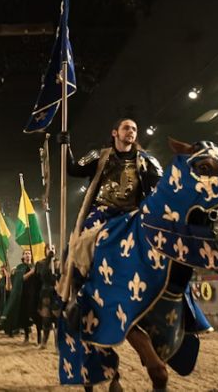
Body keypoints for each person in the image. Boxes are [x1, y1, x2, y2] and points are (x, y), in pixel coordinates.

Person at [60, 118, 163, 319]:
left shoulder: (148, 161)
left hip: (131, 215)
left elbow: (160, 187)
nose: (131, 131)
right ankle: (75, 296)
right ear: (115, 132)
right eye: (126, 128)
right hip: (102, 211)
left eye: (134, 128)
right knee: (79, 243)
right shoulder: (99, 156)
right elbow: (73, 169)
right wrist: (66, 145)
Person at [0, 250, 41, 343]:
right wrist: (31, 272)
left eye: (29, 253)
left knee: (37, 317)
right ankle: (26, 337)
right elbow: (21, 279)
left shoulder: (35, 266)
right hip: (24, 294)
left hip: (33, 295)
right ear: (22, 256)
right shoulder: (20, 267)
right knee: (25, 316)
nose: (27, 255)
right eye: (25, 253)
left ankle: (39, 339)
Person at [33, 245, 60, 348]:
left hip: (56, 293)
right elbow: (43, 275)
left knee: (57, 320)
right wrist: (48, 259)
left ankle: (58, 345)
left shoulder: (58, 263)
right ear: (45, 250)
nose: (51, 250)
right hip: (45, 294)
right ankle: (44, 342)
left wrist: (57, 279)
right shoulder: (41, 263)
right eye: (49, 248)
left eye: (53, 248)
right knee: (46, 319)